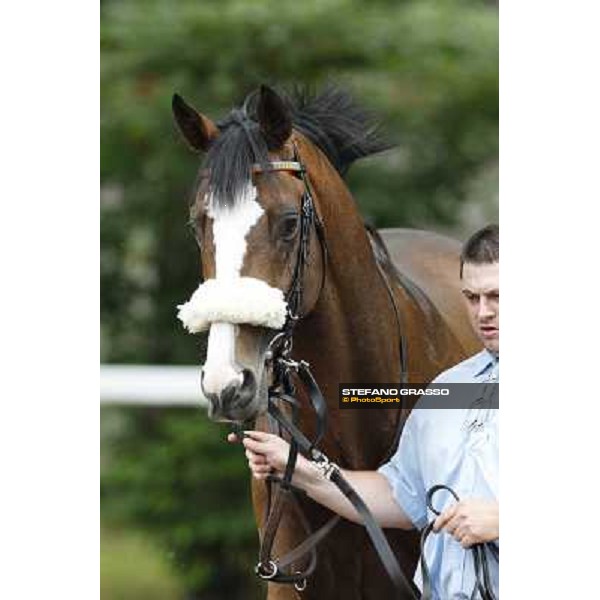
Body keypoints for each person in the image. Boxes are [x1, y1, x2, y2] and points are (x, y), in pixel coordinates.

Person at [228, 224, 499, 599]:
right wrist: (298, 468)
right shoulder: (449, 388)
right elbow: (399, 495)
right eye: (471, 298)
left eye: (497, 296)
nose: (483, 313)